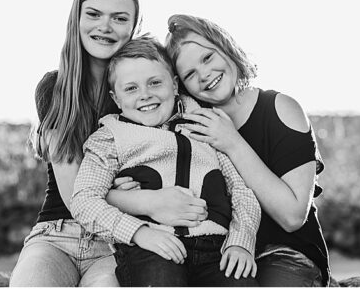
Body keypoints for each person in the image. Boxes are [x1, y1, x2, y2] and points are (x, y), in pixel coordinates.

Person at [69, 37, 260, 287]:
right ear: (116, 99)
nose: (145, 95)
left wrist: (240, 241)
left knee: (241, 283)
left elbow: (242, 190)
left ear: (174, 85)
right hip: (151, 247)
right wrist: (139, 233)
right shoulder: (110, 137)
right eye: (131, 88)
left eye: (155, 83)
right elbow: (84, 201)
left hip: (218, 249)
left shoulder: (205, 126)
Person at [163, 14, 330, 286]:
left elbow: (292, 216)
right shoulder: (190, 125)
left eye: (207, 58)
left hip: (284, 254)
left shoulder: (281, 108)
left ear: (226, 48)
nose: (204, 75)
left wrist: (232, 142)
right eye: (190, 74)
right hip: (216, 256)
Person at [11, 0, 146, 287]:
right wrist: (117, 190)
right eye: (94, 14)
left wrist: (107, 193)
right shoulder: (54, 89)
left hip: (117, 242)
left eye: (119, 18)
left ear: (134, 26)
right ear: (77, 17)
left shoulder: (144, 93)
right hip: (57, 234)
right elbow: (75, 197)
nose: (105, 26)